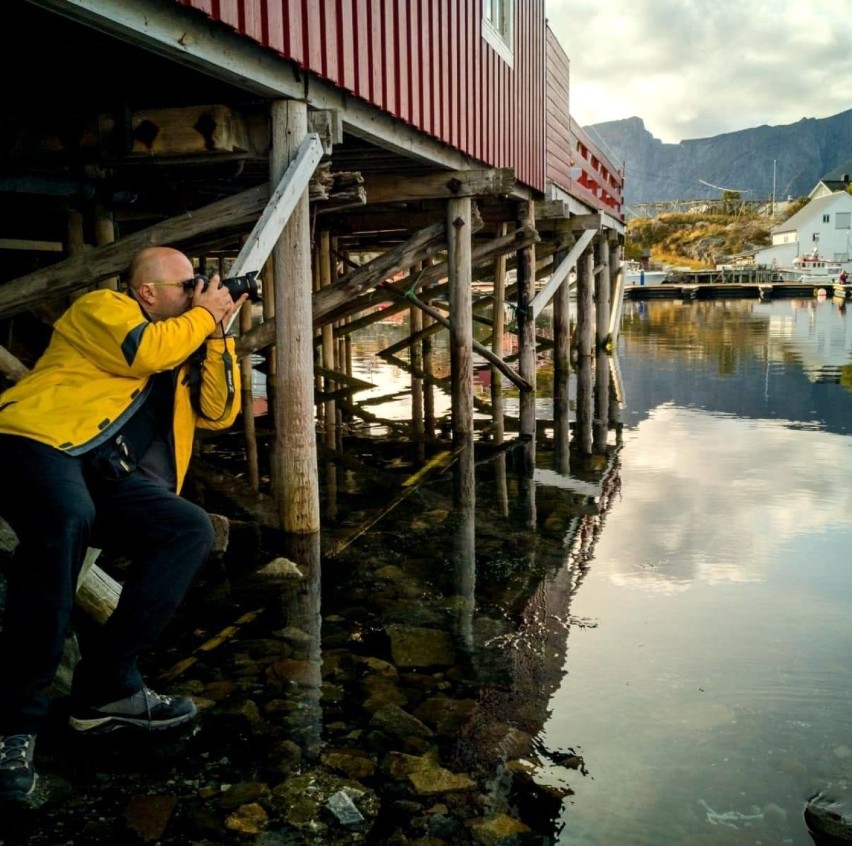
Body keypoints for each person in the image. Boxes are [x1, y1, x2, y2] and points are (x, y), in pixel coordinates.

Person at [0, 246, 248, 802]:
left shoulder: (186, 336)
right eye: (186, 285)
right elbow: (141, 353)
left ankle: (105, 688)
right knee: (68, 517)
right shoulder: (104, 309)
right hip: (41, 443)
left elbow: (219, 411)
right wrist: (203, 317)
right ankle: (13, 726)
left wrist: (219, 334)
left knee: (189, 530)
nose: (197, 292)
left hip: (109, 475)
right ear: (146, 292)